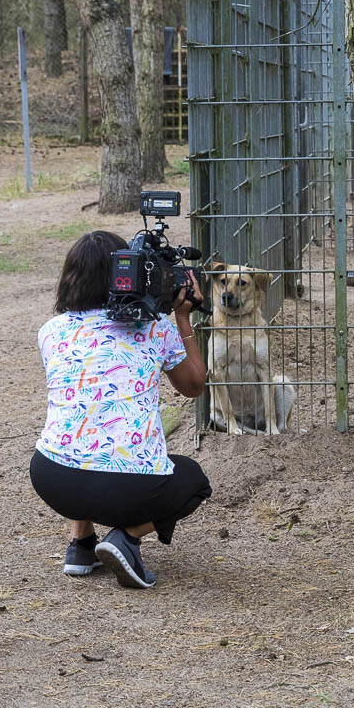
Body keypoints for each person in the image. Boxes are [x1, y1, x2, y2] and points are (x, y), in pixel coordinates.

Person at [29, 230, 212, 590]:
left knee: (85, 425)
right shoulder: (155, 329)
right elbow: (193, 386)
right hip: (128, 489)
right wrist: (182, 318)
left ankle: (81, 545)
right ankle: (125, 538)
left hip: (51, 477)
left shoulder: (50, 331)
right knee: (194, 481)